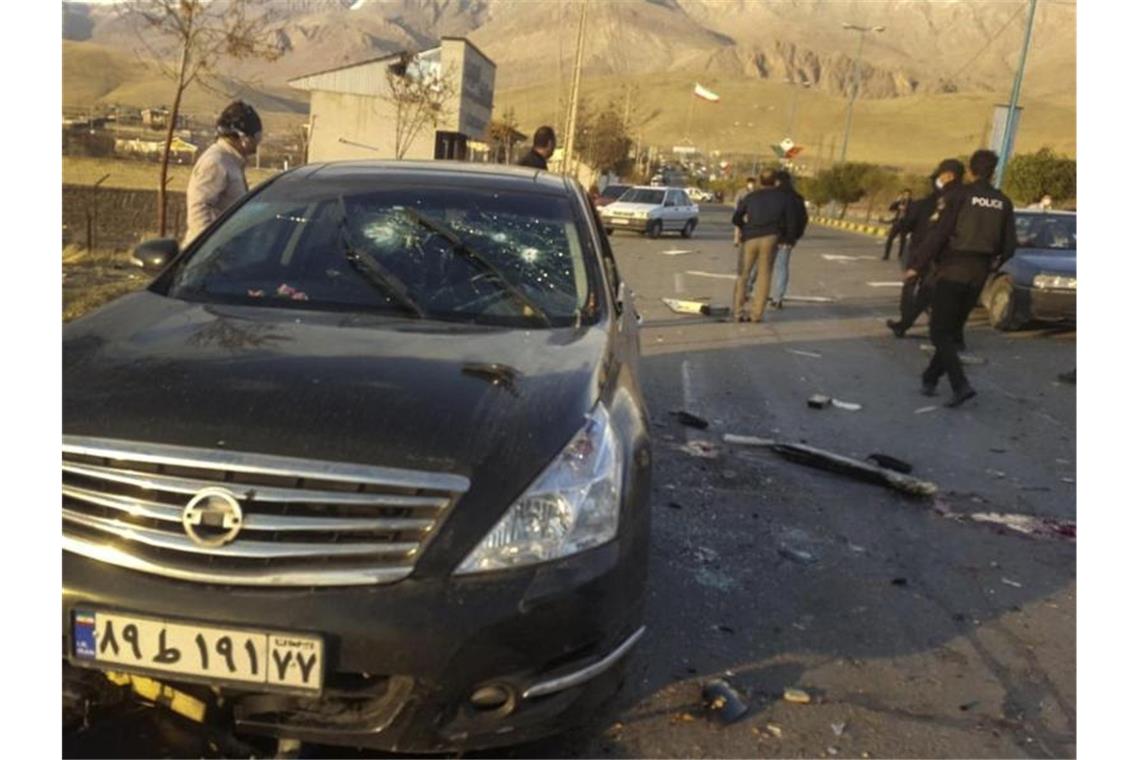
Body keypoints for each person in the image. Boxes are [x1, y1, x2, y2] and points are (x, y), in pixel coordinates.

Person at [908, 149, 1017, 407]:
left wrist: (917, 265)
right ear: (995, 172)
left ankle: (960, 384)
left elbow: (940, 233)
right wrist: (992, 264)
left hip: (953, 268)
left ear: (970, 170)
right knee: (952, 330)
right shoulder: (1003, 202)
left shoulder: (960, 196)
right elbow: (1010, 246)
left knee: (938, 332)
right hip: (980, 273)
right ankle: (930, 378)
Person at [887, 159, 965, 339]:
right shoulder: (964, 199)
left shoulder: (934, 203)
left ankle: (906, 321)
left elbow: (913, 227)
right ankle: (911, 323)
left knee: (913, 285)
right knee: (929, 292)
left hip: (923, 252)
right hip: (946, 255)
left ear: (948, 176)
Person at [185, 100, 262, 244]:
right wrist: (210, 248)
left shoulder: (232, 162)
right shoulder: (216, 162)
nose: (257, 144)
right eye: (256, 137)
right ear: (243, 137)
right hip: (209, 258)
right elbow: (199, 210)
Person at [731, 169, 794, 323]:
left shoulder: (751, 196)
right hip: (771, 238)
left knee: (743, 275)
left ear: (760, 181)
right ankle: (756, 314)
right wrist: (788, 239)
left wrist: (745, 228)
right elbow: (790, 221)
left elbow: (736, 217)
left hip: (750, 237)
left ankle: (738, 311)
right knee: (764, 276)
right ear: (775, 182)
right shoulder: (783, 198)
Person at [768, 169, 809, 309]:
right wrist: (794, 237)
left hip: (770, 235)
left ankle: (748, 291)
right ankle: (778, 298)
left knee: (760, 266)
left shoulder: (774, 195)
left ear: (777, 181)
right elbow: (803, 219)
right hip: (787, 240)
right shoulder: (797, 198)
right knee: (782, 267)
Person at [882, 188, 912, 260]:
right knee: (890, 238)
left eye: (907, 195)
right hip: (897, 222)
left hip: (905, 223)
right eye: (904, 194)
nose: (906, 196)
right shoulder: (900, 202)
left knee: (902, 241)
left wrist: (906, 209)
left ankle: (900, 255)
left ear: (910, 195)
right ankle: (886, 255)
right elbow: (891, 208)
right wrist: (896, 201)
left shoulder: (912, 203)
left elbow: (913, 212)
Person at [732, 177, 757, 247]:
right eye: (750, 183)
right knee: (738, 225)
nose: (751, 185)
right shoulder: (741, 191)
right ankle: (736, 240)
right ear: (747, 183)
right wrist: (737, 210)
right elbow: (737, 201)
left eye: (753, 183)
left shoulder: (756, 192)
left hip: (752, 211)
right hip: (742, 211)